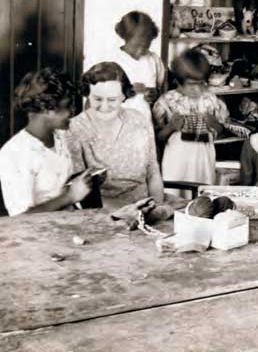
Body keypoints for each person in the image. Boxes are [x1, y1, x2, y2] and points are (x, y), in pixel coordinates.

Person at [67, 62, 164, 209]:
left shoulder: (139, 121)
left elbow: (153, 172)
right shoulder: (75, 128)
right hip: (99, 211)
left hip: (145, 206)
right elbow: (78, 191)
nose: (104, 107)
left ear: (124, 95)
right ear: (87, 93)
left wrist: (157, 207)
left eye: (112, 100)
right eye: (97, 99)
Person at [0, 68, 93, 215]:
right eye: (67, 105)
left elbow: (56, 185)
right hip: (36, 236)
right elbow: (20, 218)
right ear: (46, 109)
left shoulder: (59, 137)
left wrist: (85, 181)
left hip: (66, 224)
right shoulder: (14, 153)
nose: (73, 111)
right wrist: (70, 196)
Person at [153, 48, 229, 197]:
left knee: (203, 195)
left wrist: (213, 123)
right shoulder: (167, 102)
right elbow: (158, 138)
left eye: (201, 84)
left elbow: (221, 130)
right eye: (191, 84)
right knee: (175, 196)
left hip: (203, 161)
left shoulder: (211, 100)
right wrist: (171, 127)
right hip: (176, 161)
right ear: (179, 81)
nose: (197, 89)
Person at [107, 11, 167, 119]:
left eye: (146, 46)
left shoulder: (153, 60)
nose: (140, 50)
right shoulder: (112, 60)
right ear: (126, 38)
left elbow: (162, 89)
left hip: (145, 122)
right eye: (136, 45)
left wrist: (155, 93)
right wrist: (125, 92)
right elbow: (98, 95)